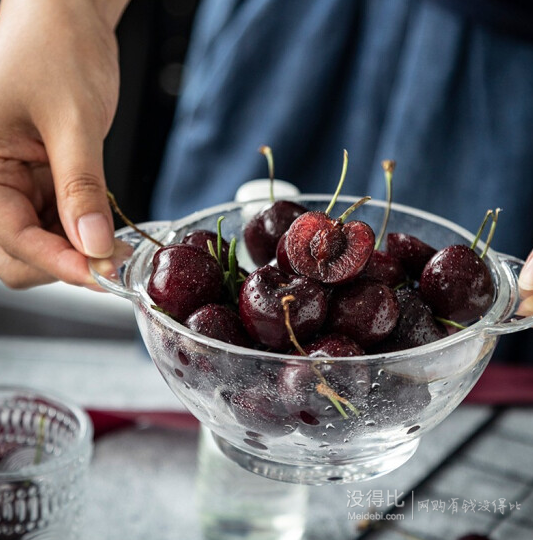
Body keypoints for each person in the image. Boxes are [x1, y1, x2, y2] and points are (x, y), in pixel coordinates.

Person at [0, 0, 532, 326]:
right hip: (286, 30)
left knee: (435, 365)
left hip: (501, 62)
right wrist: (65, 9)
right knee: (218, 352)